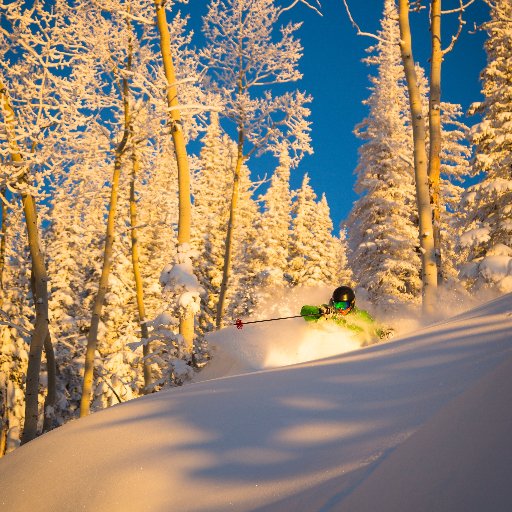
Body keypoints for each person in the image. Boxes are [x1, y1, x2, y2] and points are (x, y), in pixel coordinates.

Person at [300, 286, 392, 344]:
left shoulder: (360, 316)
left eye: (344, 305)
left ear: (351, 304)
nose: (340, 309)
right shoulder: (327, 312)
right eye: (337, 305)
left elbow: (373, 327)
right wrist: (320, 311)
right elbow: (304, 311)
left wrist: (383, 331)